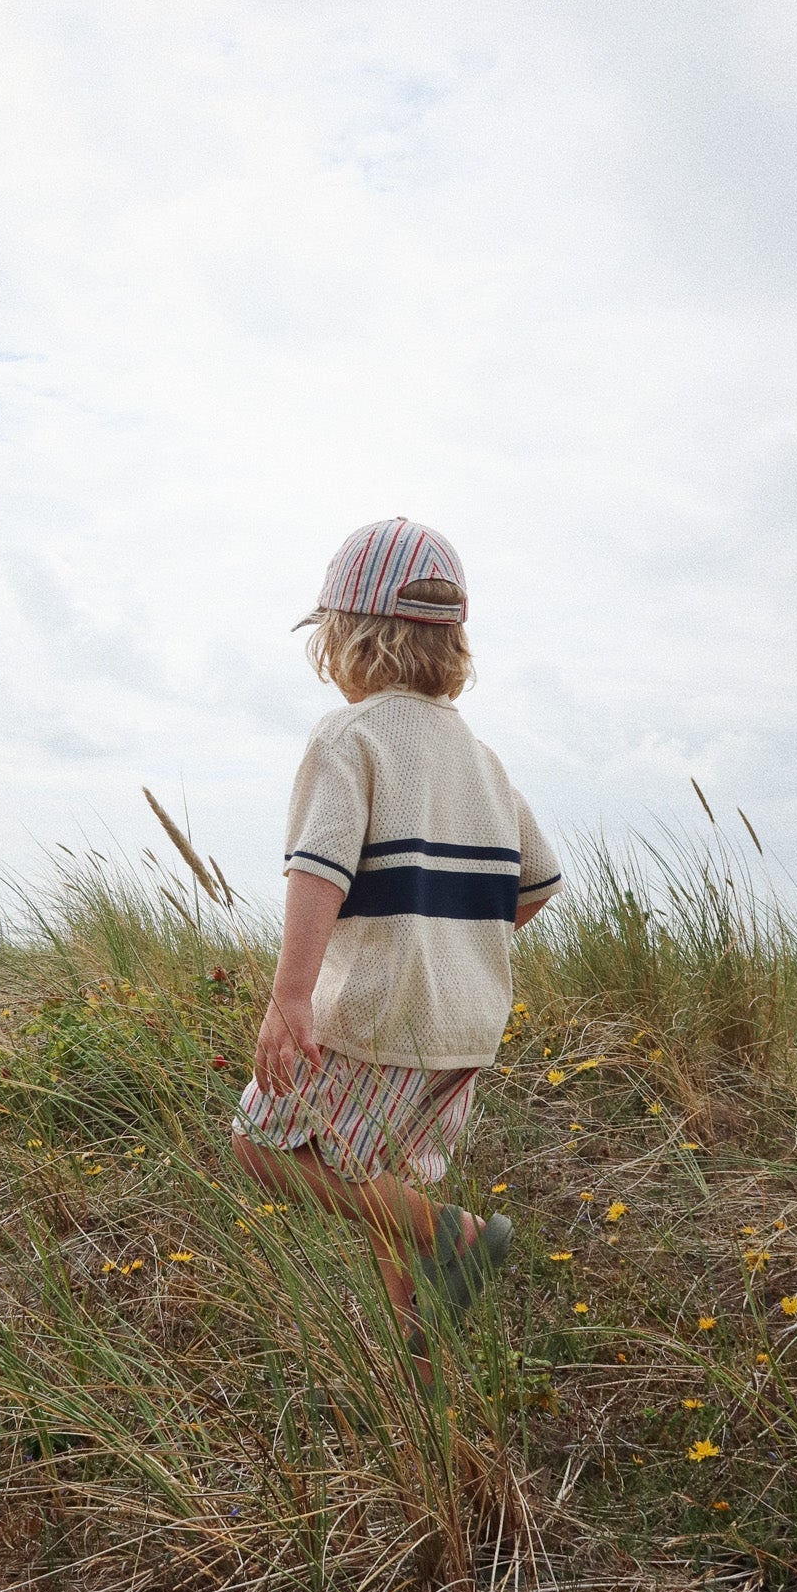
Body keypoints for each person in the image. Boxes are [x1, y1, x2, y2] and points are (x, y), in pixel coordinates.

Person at [231, 516, 562, 1372]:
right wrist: (451, 943)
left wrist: (289, 997)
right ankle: (417, 1371)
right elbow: (537, 882)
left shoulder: (349, 736)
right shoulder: (479, 756)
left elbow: (317, 872)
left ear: (344, 634)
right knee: (388, 1182)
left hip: (382, 1010)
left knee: (261, 1146)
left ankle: (460, 1234)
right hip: (467, 1019)